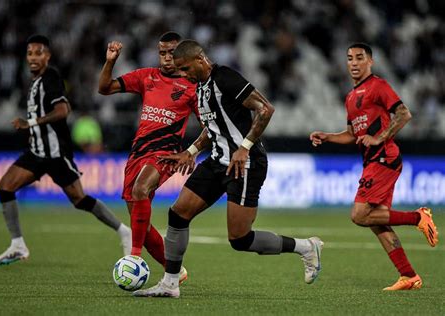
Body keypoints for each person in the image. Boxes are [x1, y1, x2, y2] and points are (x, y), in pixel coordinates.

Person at [133, 40, 324, 298]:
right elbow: (213, 126)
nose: (183, 74)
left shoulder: (225, 78)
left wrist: (244, 146)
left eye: (186, 68)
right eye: (180, 70)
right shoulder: (200, 86)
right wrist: (189, 152)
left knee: (240, 239)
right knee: (178, 214)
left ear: (200, 59)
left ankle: (305, 247)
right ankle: (170, 283)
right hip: (216, 161)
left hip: (245, 164)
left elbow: (266, 109)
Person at [0, 35, 132, 265]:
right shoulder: (36, 82)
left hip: (56, 154)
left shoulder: (51, 77)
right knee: (4, 187)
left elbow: (63, 109)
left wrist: (32, 123)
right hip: (37, 153)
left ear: (47, 56)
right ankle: (17, 245)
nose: (33, 57)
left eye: (39, 52)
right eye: (30, 53)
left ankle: (123, 230)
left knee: (79, 199)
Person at [309, 43, 439, 290]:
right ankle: (409, 276)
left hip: (384, 158)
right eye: (349, 58)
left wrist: (380, 137)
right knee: (375, 221)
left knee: (359, 215)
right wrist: (328, 136)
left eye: (359, 58)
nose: (354, 63)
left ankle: (418, 217)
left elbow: (403, 114)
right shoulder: (350, 97)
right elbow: (350, 134)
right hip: (372, 160)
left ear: (370, 61)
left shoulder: (378, 86)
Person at [98, 32, 199, 283]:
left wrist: (190, 151)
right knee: (137, 217)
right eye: (162, 52)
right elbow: (104, 88)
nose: (166, 58)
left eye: (172, 52)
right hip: (138, 152)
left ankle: (133, 258)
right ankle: (174, 268)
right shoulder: (147, 77)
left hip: (165, 153)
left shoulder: (192, 87)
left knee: (141, 189)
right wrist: (110, 61)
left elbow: (211, 124)